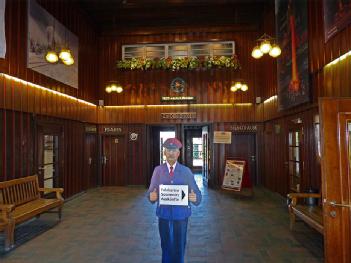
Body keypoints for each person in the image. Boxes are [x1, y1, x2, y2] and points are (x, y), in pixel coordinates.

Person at [147, 138, 202, 263]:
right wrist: (151, 196)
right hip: (164, 215)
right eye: (168, 150)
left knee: (179, 245)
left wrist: (195, 198)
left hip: (181, 215)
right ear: (164, 153)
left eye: (174, 150)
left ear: (178, 153)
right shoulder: (158, 171)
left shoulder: (186, 171)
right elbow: (150, 191)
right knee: (165, 245)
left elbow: (197, 194)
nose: (171, 153)